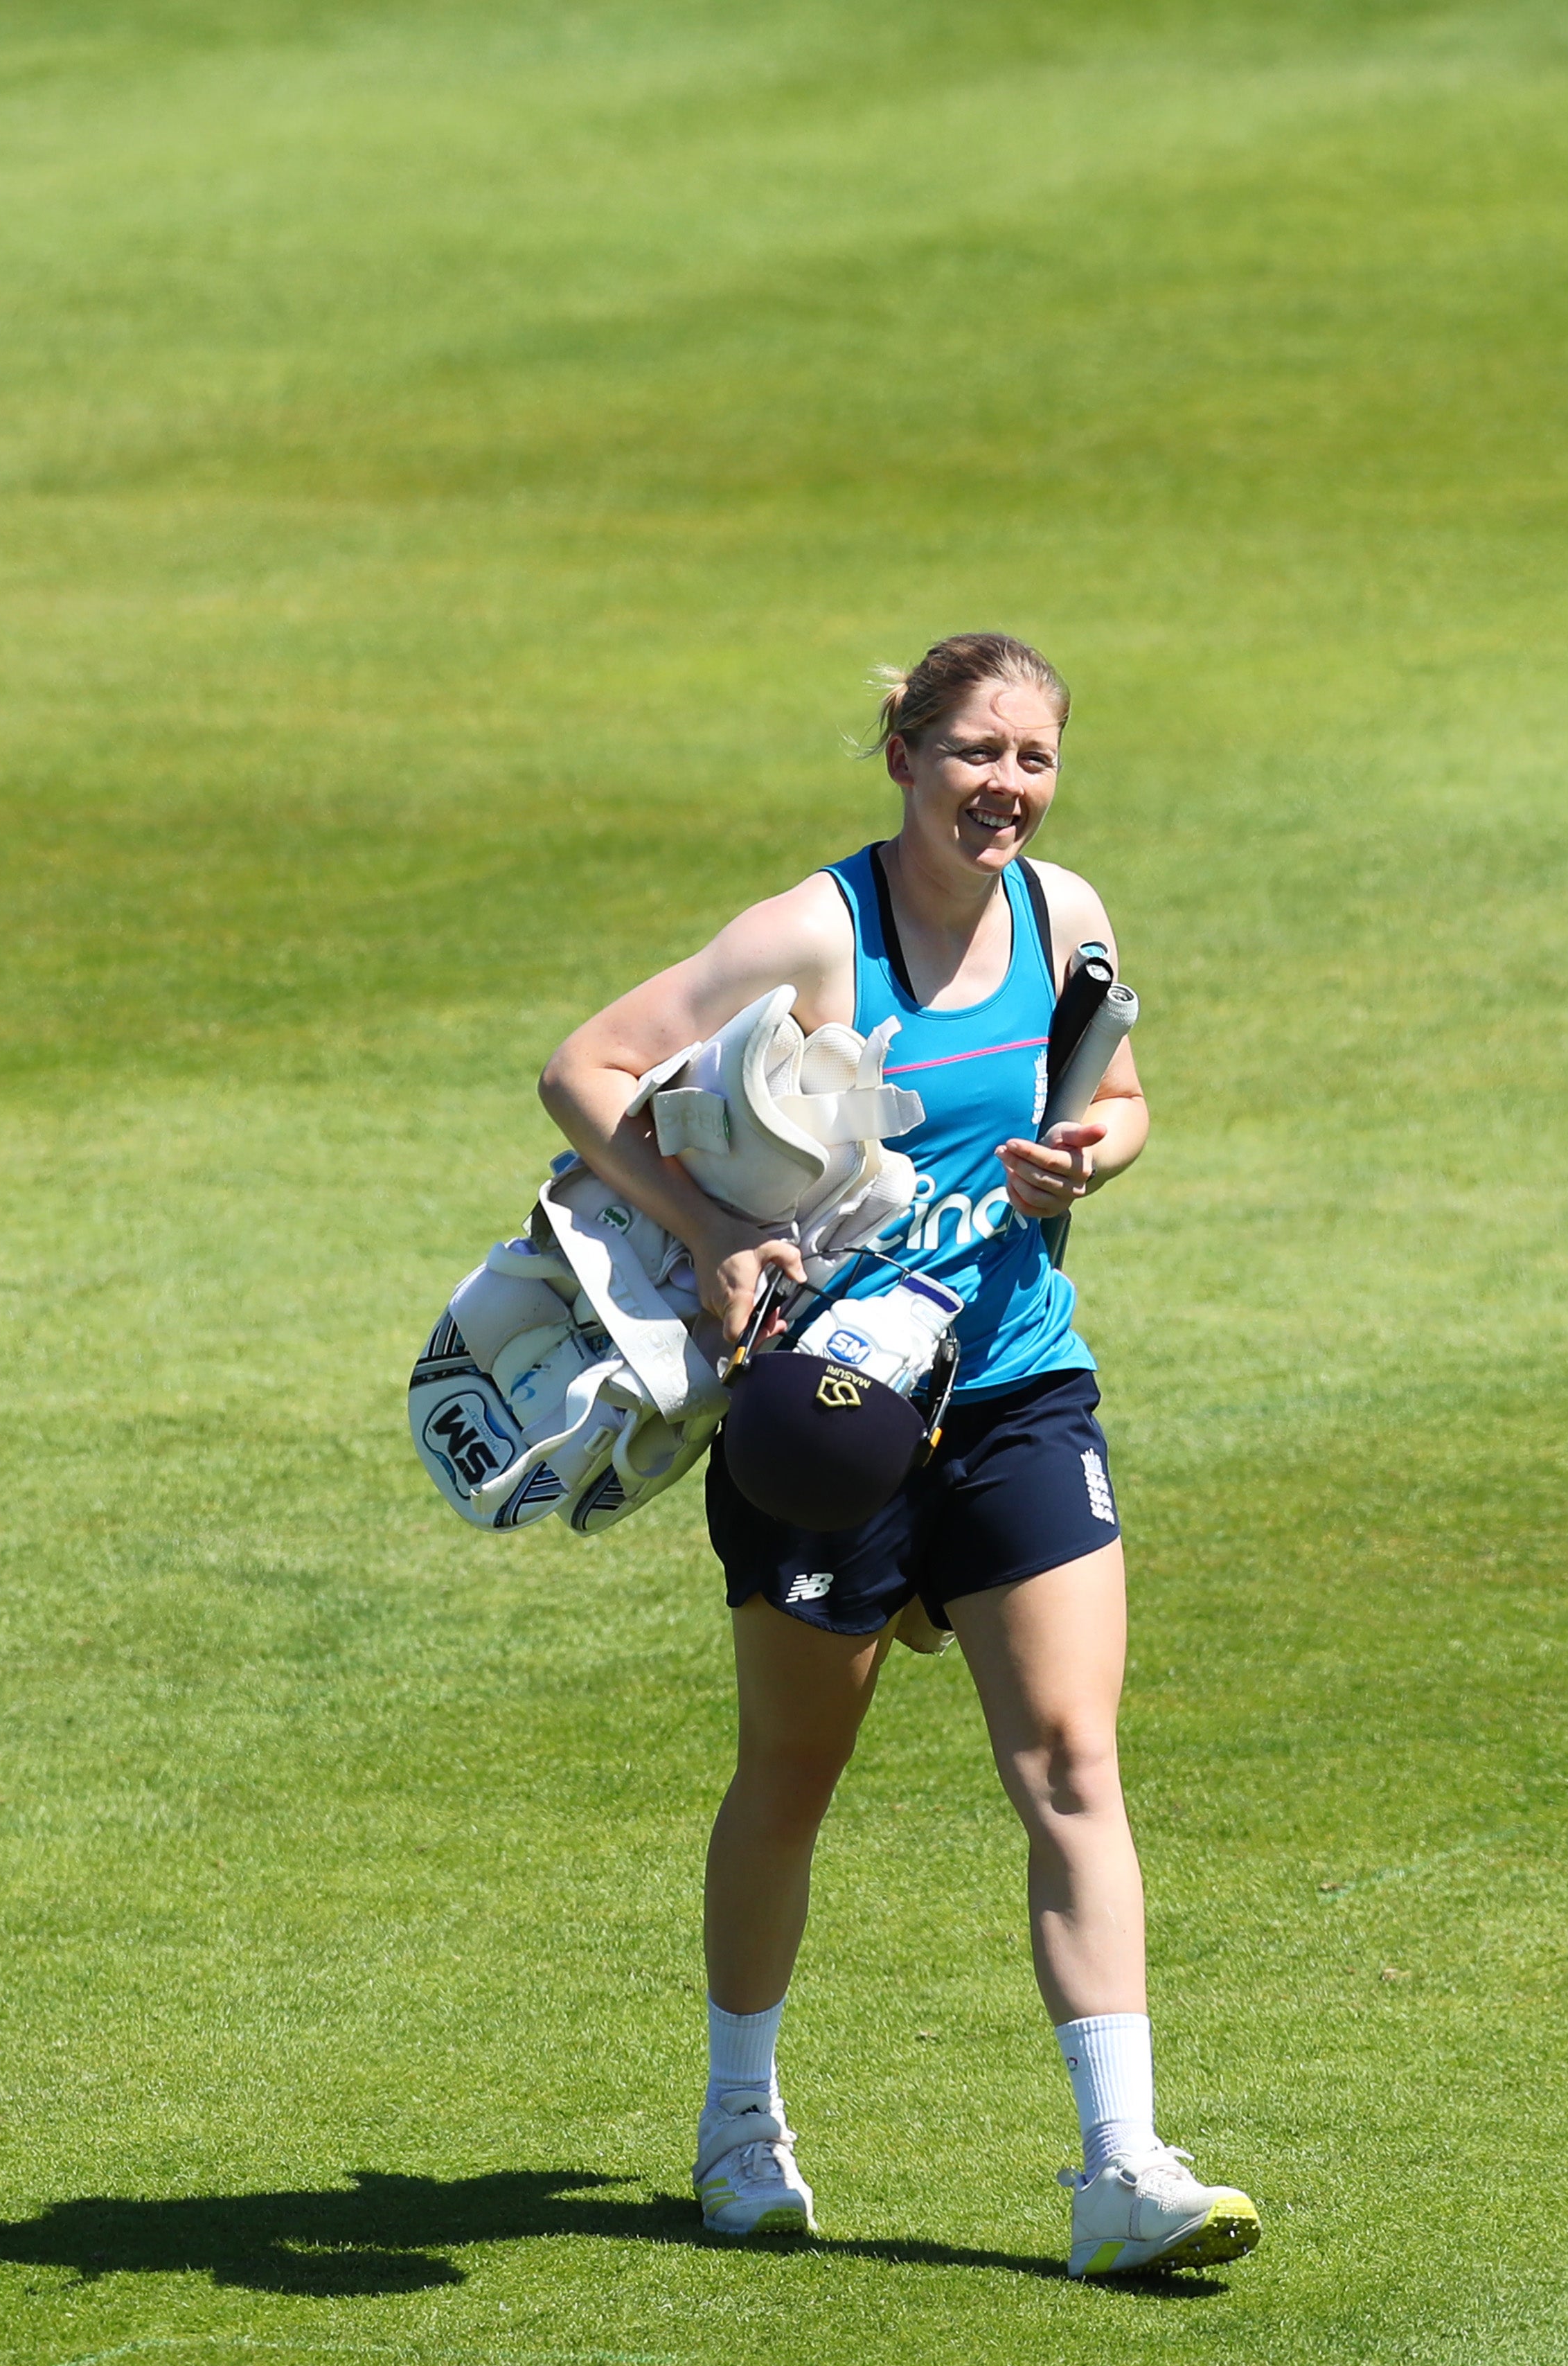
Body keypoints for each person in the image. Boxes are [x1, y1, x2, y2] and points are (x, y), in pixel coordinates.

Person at [538, 633, 1259, 2281]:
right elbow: (584, 1070)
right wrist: (717, 1232)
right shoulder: (816, 933)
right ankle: (740, 2129)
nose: (1003, 787)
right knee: (794, 1778)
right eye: (972, 753)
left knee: (1073, 1764)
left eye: (1033, 758)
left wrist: (1094, 1153)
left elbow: (1122, 1092)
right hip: (829, 1422)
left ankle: (1122, 2167)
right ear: (903, 756)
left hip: (1016, 1385)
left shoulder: (1066, 918)